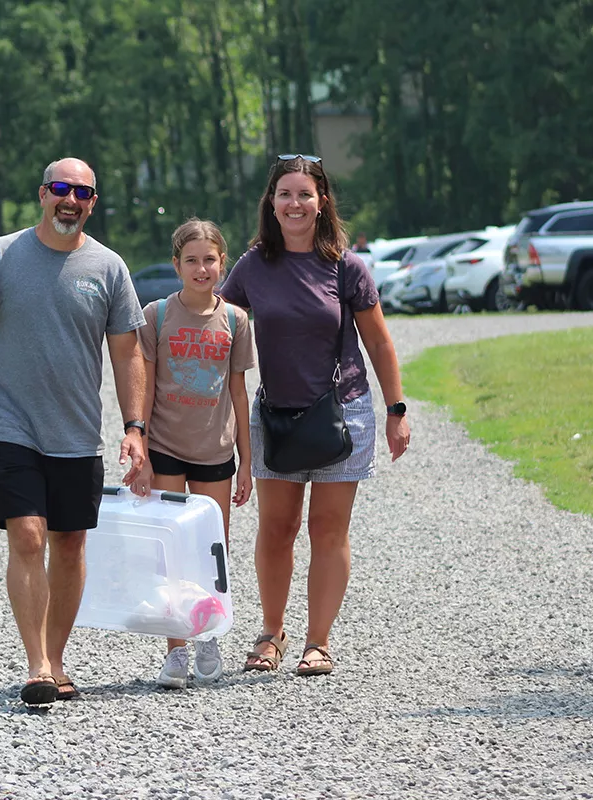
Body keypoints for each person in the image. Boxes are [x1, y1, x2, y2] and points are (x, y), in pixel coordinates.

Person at [0, 157, 147, 707]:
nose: (71, 200)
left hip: (77, 431)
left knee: (70, 543)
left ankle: (56, 659)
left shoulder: (108, 268)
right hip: (9, 424)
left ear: (92, 203)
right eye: (61, 188)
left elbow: (128, 352)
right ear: (42, 193)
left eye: (82, 192)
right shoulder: (1, 256)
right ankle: (36, 664)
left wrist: (135, 427)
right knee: (29, 535)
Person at [219, 154, 410, 677]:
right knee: (277, 529)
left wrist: (396, 410)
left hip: (342, 415)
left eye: (305, 194)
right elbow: (217, 324)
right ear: (272, 203)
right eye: (285, 194)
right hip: (275, 415)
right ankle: (271, 633)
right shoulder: (253, 264)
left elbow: (378, 341)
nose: (295, 203)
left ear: (321, 201)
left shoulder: (346, 266)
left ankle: (318, 642)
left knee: (328, 529)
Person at [131, 218, 255, 689]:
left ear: (222, 263)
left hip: (215, 451)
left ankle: (207, 633)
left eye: (209, 259)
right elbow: (142, 387)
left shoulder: (236, 321)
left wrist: (246, 462)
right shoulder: (156, 315)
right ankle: (176, 650)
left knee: (210, 551)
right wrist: (138, 444)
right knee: (171, 552)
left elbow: (240, 396)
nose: (201, 268)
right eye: (191, 260)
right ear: (176, 265)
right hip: (165, 446)